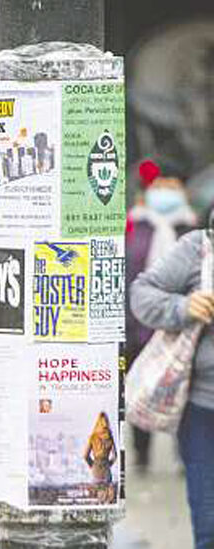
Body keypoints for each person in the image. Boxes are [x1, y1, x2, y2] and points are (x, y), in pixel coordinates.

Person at [131, 218, 214, 549]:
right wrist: (186, 306)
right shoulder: (198, 249)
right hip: (204, 411)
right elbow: (143, 294)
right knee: (210, 528)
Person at [126, 159, 197, 472]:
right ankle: (142, 452)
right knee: (142, 383)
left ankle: (186, 454)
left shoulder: (194, 231)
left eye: (172, 185)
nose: (166, 191)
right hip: (139, 324)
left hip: (186, 326)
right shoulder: (133, 226)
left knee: (184, 388)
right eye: (160, 185)